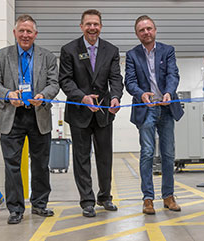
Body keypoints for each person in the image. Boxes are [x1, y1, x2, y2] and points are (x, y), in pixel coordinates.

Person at [0, 14, 59, 224]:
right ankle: (15, 209)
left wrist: (43, 95)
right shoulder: (1, 56)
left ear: (35, 34)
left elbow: (54, 84)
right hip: (12, 115)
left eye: (29, 31)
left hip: (39, 115)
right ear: (14, 33)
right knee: (12, 165)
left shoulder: (47, 56)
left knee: (40, 164)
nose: (25, 35)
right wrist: (8, 94)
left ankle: (39, 204)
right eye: (22, 31)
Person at [58, 9, 124, 218]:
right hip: (79, 112)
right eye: (88, 24)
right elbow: (65, 80)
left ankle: (105, 197)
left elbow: (115, 78)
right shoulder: (69, 50)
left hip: (104, 112)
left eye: (96, 24)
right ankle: (87, 201)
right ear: (81, 27)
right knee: (81, 158)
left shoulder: (111, 50)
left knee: (105, 158)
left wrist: (115, 98)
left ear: (101, 26)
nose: (92, 28)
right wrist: (82, 97)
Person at [125, 15, 184, 215]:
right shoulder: (132, 55)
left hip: (166, 107)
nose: (146, 32)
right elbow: (130, 81)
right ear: (137, 34)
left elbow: (173, 74)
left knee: (168, 154)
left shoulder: (167, 50)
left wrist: (169, 91)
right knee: (148, 153)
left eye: (149, 28)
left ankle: (168, 196)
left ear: (155, 30)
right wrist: (141, 94)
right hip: (146, 108)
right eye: (142, 30)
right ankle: (148, 199)